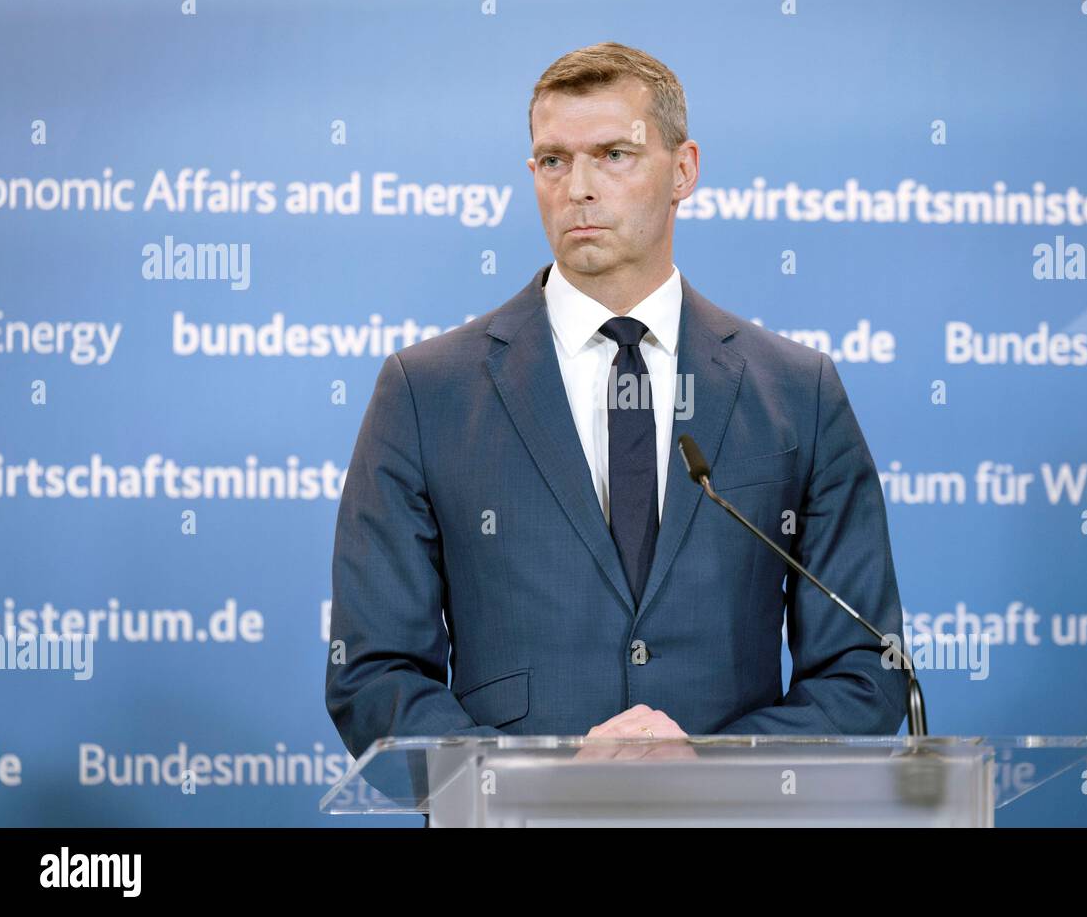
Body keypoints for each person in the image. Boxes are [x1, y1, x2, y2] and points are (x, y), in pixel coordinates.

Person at [326, 42, 907, 757]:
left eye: (613, 155)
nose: (578, 188)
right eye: (553, 161)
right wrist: (545, 778)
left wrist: (708, 768)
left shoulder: (796, 392)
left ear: (683, 170)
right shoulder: (426, 393)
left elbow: (865, 676)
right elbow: (374, 678)